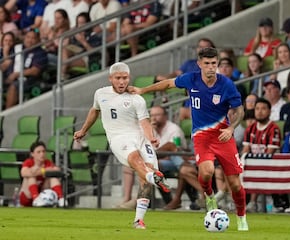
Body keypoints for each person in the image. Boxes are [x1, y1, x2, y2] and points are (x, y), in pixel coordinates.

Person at [128, 47, 249, 231]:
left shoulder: (226, 84)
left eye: (214, 64)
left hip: (223, 136)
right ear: (200, 64)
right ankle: (209, 196)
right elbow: (168, 84)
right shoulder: (191, 79)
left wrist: (232, 128)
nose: (210, 67)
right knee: (206, 171)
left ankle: (241, 217)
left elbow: (239, 110)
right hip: (202, 136)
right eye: (207, 63)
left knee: (234, 183)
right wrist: (143, 90)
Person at [73, 62, 171, 230]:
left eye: (125, 78)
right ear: (110, 78)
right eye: (118, 78)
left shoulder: (136, 98)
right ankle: (154, 177)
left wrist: (151, 138)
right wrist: (83, 130)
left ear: (129, 78)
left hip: (140, 137)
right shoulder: (100, 94)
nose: (121, 82)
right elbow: (94, 111)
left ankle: (138, 219)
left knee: (144, 177)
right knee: (135, 159)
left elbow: (145, 122)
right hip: (118, 137)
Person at [241, 98, 281, 213]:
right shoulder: (250, 129)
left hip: (271, 164)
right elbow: (246, 149)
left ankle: (255, 202)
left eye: (263, 109)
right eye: (257, 109)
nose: (259, 111)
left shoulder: (274, 129)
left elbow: (270, 153)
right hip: (254, 163)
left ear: (269, 111)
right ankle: (237, 200)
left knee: (258, 167)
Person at [4, 29, 48, 109]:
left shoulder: (40, 53)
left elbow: (35, 71)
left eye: (33, 38)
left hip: (28, 80)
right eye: (28, 37)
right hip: (9, 77)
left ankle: (6, 116)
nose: (29, 40)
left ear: (38, 40)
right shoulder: (17, 48)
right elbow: (7, 63)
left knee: (14, 86)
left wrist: (16, 75)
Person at [20, 141, 65, 207]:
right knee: (31, 177)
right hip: (28, 196)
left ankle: (61, 199)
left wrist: (38, 171)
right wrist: (43, 171)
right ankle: (36, 199)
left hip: (43, 193)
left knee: (53, 177)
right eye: (39, 152)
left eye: (43, 151)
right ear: (32, 154)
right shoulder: (29, 162)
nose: (42, 154)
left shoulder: (47, 162)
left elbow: (57, 170)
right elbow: (24, 173)